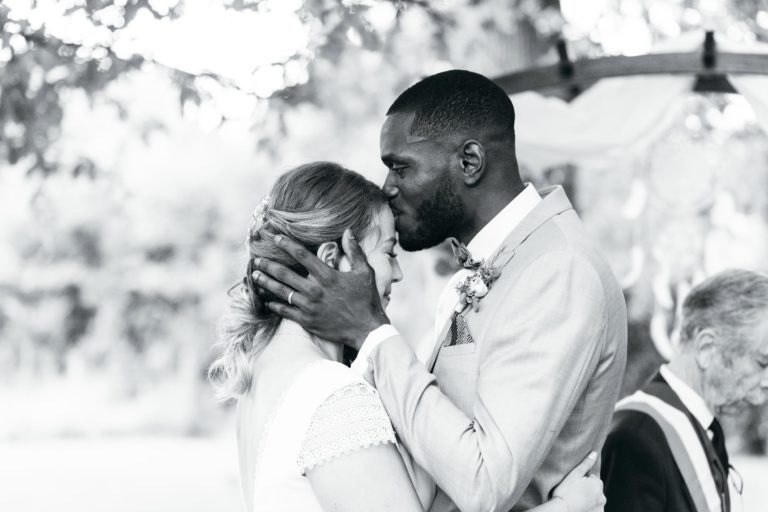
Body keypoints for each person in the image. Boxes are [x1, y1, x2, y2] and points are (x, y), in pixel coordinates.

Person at [251, 70, 628, 511]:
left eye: (400, 166)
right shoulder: (483, 266)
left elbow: (485, 482)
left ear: (469, 162)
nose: (388, 188)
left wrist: (372, 332)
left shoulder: (558, 269)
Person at [209, 162, 606, 512]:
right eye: (389, 252)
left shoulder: (264, 375)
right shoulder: (328, 392)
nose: (397, 273)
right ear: (334, 260)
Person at [602, 269, 768, 512]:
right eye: (762, 363)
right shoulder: (633, 437)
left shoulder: (704, 426)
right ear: (706, 348)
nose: (766, 381)